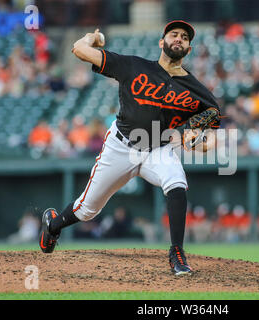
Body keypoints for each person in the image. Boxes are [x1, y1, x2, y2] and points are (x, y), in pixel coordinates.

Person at [38, 21, 221, 276]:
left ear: (189, 49)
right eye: (174, 34)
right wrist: (92, 37)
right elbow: (79, 49)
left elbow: (211, 134)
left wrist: (200, 143)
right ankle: (54, 224)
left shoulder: (198, 92)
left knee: (176, 181)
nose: (179, 39)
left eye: (184, 38)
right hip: (121, 146)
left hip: (159, 149)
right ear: (162, 42)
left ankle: (177, 252)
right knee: (87, 210)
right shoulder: (134, 66)